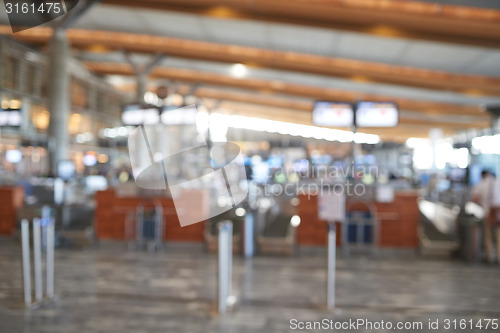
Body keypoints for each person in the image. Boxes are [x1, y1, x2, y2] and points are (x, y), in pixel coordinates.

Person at [472, 170, 498, 263]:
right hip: (497, 214)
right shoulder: (496, 182)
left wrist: (481, 204)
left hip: (487, 212)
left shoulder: (481, 184)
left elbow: (474, 199)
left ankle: (489, 257)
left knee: (488, 236)